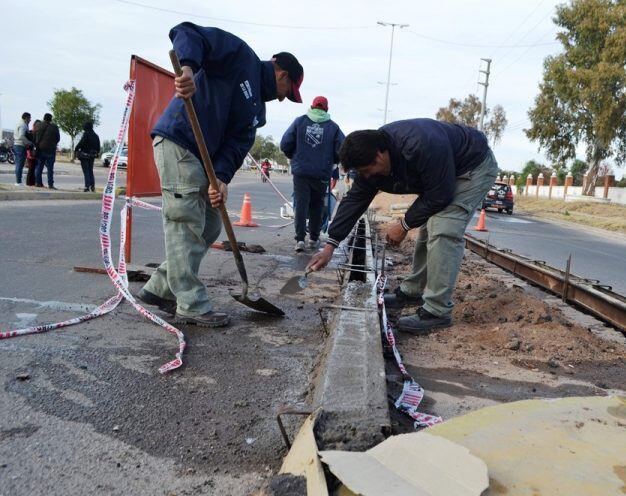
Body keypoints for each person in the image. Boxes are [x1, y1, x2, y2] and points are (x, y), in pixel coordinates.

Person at [137, 22, 303, 328]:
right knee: (185, 220)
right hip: (180, 140)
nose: (282, 98)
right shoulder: (240, 55)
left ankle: (160, 287)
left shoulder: (257, 112)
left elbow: (238, 143)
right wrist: (188, 70)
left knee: (211, 223)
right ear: (281, 74)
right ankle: (190, 303)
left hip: (207, 161)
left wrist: (222, 179)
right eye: (286, 92)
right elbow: (187, 32)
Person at [307, 119, 499, 334]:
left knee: (443, 228)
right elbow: (355, 200)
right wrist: (330, 245)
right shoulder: (370, 163)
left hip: (472, 167)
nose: (368, 176)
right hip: (445, 170)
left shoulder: (421, 144)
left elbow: (439, 195)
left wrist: (404, 224)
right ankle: (412, 291)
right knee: (429, 228)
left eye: (368, 169)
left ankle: (437, 311)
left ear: (379, 155)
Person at [280, 96, 345, 252]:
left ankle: (300, 240)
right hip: (321, 174)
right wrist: (332, 161)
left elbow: (285, 144)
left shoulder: (299, 121)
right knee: (317, 205)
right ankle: (314, 239)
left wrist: (294, 157)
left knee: (301, 205)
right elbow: (343, 149)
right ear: (327, 109)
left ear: (311, 106)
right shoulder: (333, 127)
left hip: (301, 172)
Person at [34, 113, 61, 189]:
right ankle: (50, 184)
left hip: (40, 149)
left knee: (39, 166)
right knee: (50, 168)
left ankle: (38, 183)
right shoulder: (54, 127)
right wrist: (53, 143)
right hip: (51, 150)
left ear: (44, 118)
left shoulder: (38, 126)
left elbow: (35, 137)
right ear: (51, 119)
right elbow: (58, 138)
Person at [74, 120, 101, 192]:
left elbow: (81, 143)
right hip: (92, 156)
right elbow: (98, 148)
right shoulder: (96, 136)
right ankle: (92, 187)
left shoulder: (86, 134)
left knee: (86, 171)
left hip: (84, 156)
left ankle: (87, 186)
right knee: (90, 171)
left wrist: (76, 149)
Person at [12, 112, 33, 186]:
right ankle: (18, 182)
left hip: (17, 145)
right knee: (19, 164)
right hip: (20, 146)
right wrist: (29, 143)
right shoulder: (23, 125)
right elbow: (21, 136)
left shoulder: (19, 123)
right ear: (26, 118)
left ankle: (18, 181)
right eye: (29, 118)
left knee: (19, 164)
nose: (30, 120)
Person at [25, 120, 41, 186]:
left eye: (39, 125)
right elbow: (28, 143)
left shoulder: (38, 133)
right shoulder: (31, 133)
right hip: (30, 152)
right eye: (37, 125)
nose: (38, 126)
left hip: (35, 152)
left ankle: (32, 182)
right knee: (31, 168)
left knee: (33, 168)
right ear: (34, 125)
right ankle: (29, 183)